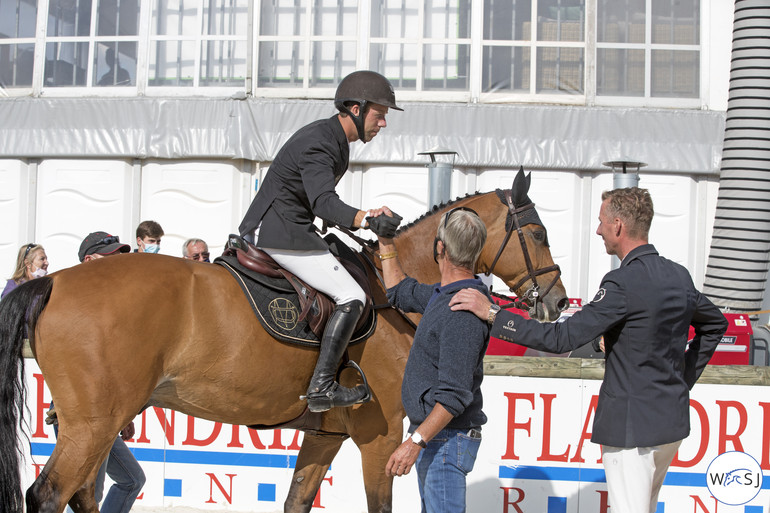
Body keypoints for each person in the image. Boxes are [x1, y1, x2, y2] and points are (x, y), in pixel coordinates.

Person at [449, 187, 728, 513]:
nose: (597, 230)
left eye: (602, 222)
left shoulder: (621, 282)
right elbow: (714, 325)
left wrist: (495, 315)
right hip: (670, 423)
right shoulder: (678, 275)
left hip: (632, 429)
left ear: (619, 226)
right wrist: (682, 379)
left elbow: (560, 339)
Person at [238, 70, 404, 412]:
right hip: (278, 232)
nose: (383, 123)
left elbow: (317, 203)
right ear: (356, 109)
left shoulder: (332, 139)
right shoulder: (321, 142)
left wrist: (363, 218)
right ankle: (322, 387)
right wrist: (367, 218)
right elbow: (323, 202)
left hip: (290, 226)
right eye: (380, 114)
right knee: (352, 294)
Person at [380, 207, 490, 513]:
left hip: (444, 439)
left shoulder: (461, 309)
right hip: (439, 439)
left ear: (439, 247)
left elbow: (454, 394)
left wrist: (414, 441)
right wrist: (385, 240)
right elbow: (398, 291)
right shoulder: (446, 295)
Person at [50, 231, 145, 513]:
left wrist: (124, 413)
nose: (119, 266)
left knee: (130, 480)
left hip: (104, 414)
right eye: (111, 259)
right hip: (85, 414)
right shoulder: (76, 307)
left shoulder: (105, 306)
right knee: (87, 492)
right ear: (89, 261)